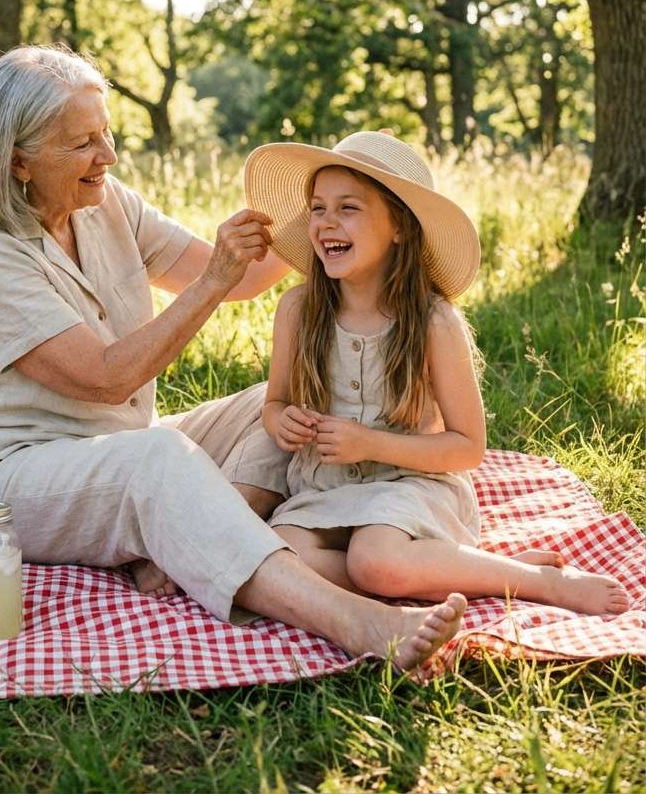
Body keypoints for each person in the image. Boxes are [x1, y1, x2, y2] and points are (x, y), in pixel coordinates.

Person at [0, 46, 467, 670]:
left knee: (280, 407)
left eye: (106, 133)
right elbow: (106, 379)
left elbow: (243, 276)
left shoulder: (104, 202)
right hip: (7, 481)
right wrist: (214, 279)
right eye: (82, 143)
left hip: (121, 445)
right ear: (18, 160)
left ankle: (191, 545)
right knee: (158, 459)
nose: (108, 156)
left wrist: (334, 207)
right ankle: (360, 622)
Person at [244, 130, 629, 615]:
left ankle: (535, 581)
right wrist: (282, 421)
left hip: (412, 485)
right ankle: (459, 568)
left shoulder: (432, 321)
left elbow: (467, 447)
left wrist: (369, 443)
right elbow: (274, 403)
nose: (326, 222)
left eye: (349, 208)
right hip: (325, 488)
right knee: (280, 559)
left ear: (400, 228)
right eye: (318, 208)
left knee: (374, 561)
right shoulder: (298, 310)